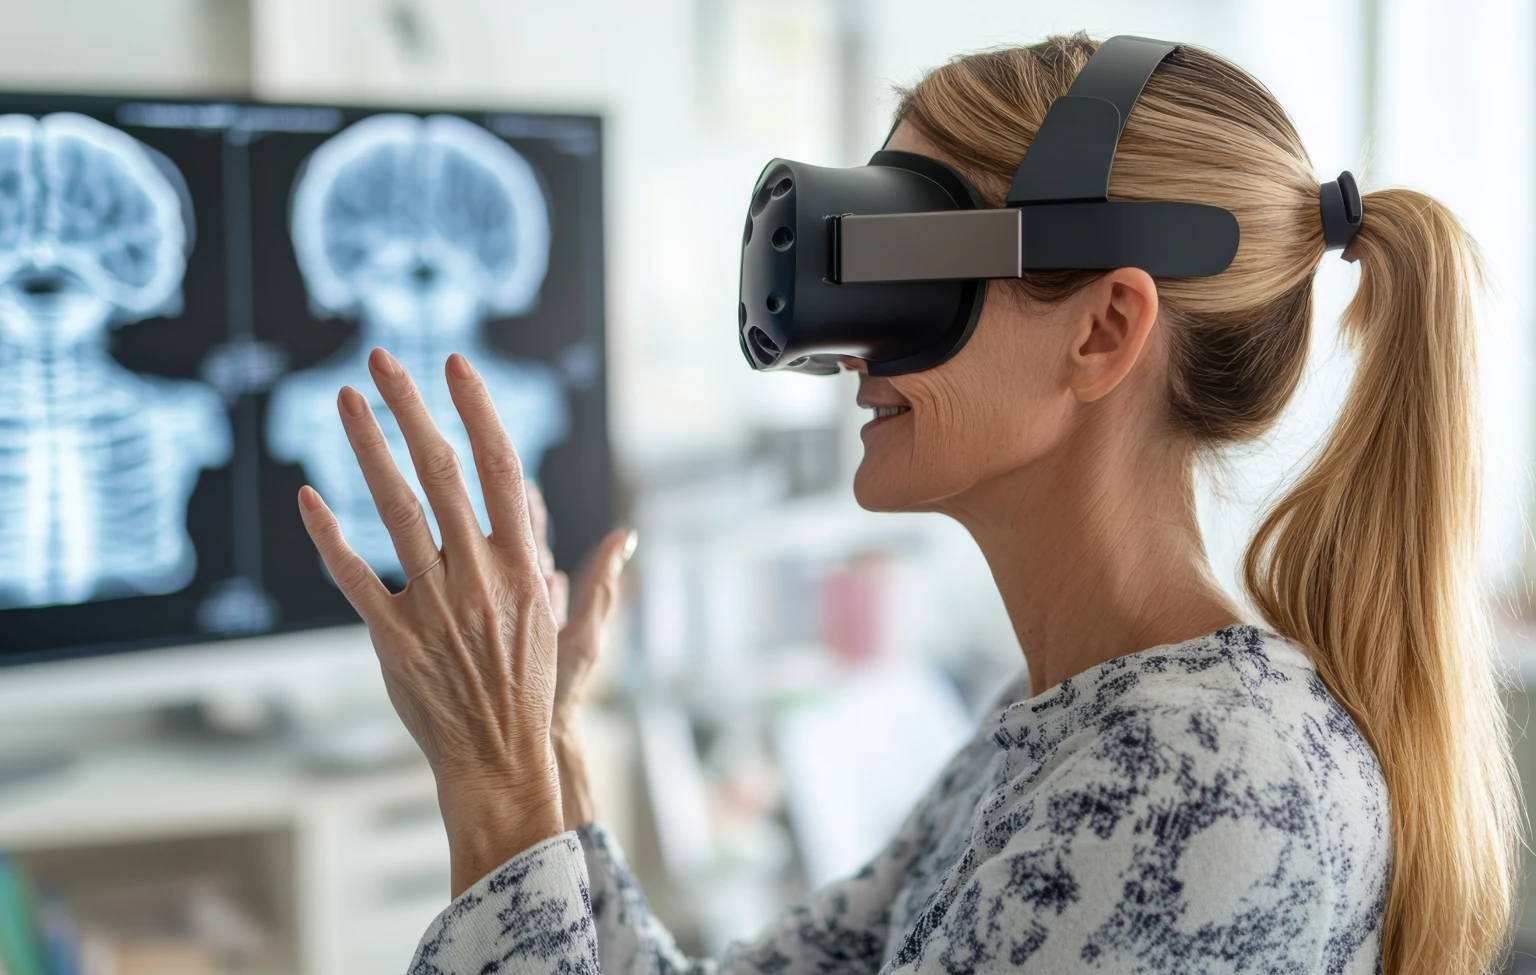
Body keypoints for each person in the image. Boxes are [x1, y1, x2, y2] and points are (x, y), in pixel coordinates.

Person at [296, 34, 1519, 975]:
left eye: (905, 262)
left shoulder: (1207, 785)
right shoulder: (1069, 718)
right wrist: (550, 756)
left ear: (1103, 331)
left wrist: (498, 787)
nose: (849, 356)